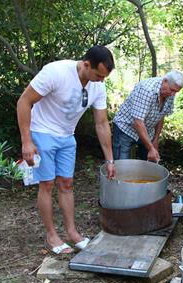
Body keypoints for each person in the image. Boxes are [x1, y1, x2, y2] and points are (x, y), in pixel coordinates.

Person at [17, 45, 116, 254]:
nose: (101, 80)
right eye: (98, 75)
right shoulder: (56, 72)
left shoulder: (98, 86)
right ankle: (52, 235)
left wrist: (110, 160)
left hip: (67, 137)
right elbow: (24, 101)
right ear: (86, 64)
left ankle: (72, 233)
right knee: (47, 184)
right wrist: (27, 141)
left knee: (67, 184)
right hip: (42, 132)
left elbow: (101, 123)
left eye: (104, 77)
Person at [112, 70, 183, 162]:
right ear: (165, 81)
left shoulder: (170, 93)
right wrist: (151, 148)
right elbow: (137, 122)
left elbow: (161, 116)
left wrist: (155, 140)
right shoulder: (147, 89)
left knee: (151, 163)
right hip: (125, 128)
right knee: (121, 165)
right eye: (172, 90)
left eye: (176, 92)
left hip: (146, 131)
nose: (173, 94)